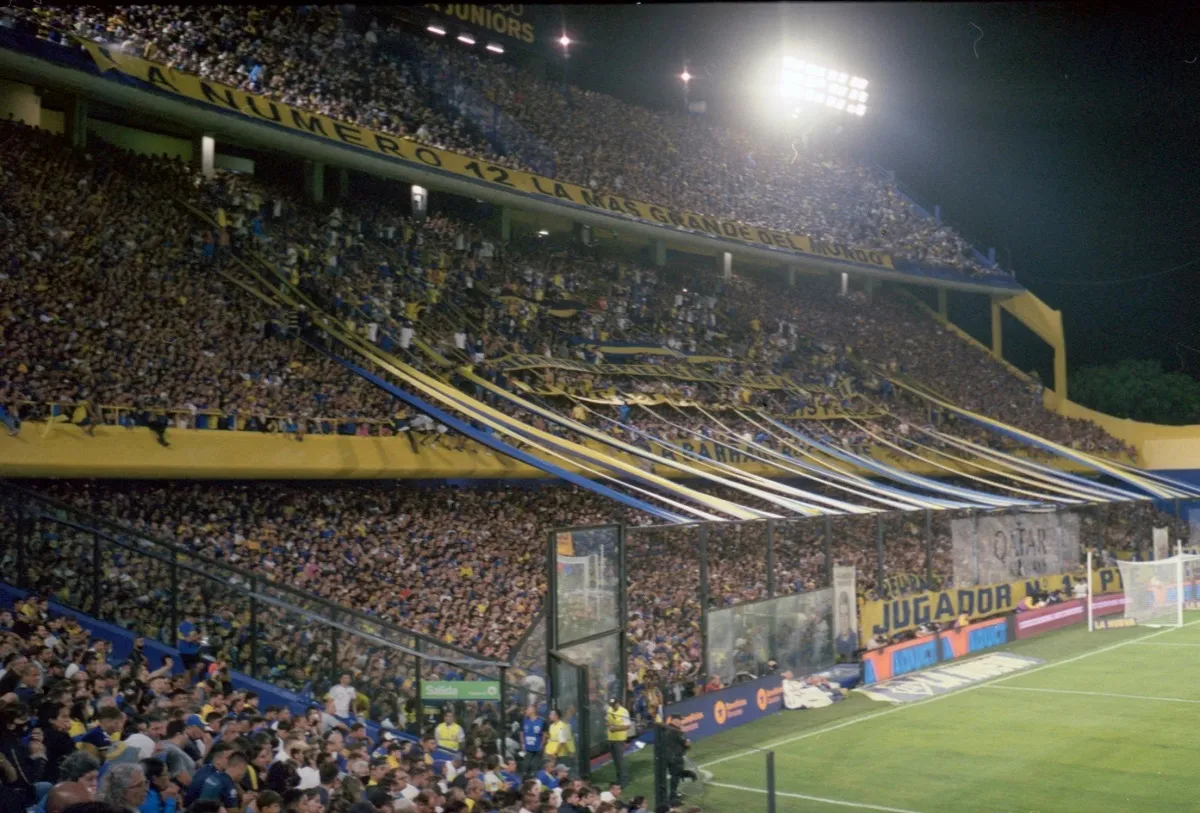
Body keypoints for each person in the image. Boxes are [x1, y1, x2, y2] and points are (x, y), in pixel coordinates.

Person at [660, 716, 689, 806]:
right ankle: (673, 798)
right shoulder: (677, 731)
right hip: (675, 757)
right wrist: (688, 743)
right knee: (675, 777)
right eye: (679, 720)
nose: (680, 722)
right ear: (674, 721)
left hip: (665, 756)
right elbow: (685, 743)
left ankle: (666, 796)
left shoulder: (665, 728)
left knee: (666, 777)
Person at [605, 697, 632, 788]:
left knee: (620, 760)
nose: (613, 706)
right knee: (615, 760)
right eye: (611, 704)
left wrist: (615, 728)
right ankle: (619, 779)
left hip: (619, 738)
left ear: (618, 703)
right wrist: (608, 725)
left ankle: (624, 781)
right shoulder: (609, 710)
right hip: (611, 737)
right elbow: (607, 721)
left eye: (614, 704)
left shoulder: (623, 711)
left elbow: (627, 726)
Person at [519, 705, 545, 777]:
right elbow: (521, 733)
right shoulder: (524, 721)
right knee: (525, 764)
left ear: (532, 710)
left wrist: (542, 745)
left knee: (534, 765)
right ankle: (525, 778)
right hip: (527, 747)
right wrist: (523, 744)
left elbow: (544, 734)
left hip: (537, 748)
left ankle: (534, 777)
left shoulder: (541, 721)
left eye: (527, 709)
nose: (526, 711)